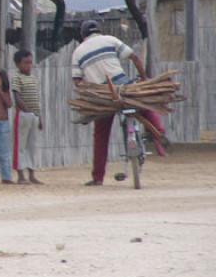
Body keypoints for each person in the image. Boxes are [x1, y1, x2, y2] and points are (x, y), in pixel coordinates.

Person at [72, 19, 167, 186]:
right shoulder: (110, 39)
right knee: (143, 105)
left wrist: (89, 91)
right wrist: (144, 78)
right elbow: (135, 57)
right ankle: (159, 131)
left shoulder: (78, 52)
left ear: (83, 35)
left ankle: (98, 177)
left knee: (101, 135)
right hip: (123, 88)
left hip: (102, 96)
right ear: (99, 31)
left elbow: (77, 81)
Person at [11, 50, 43, 185]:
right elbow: (17, 96)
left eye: (30, 62)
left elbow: (36, 100)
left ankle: (31, 174)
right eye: (26, 63)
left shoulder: (33, 79)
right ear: (18, 64)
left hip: (34, 116)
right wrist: (26, 109)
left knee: (32, 145)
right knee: (21, 146)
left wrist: (39, 117)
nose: (29, 65)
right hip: (23, 115)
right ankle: (20, 175)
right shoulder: (17, 77)